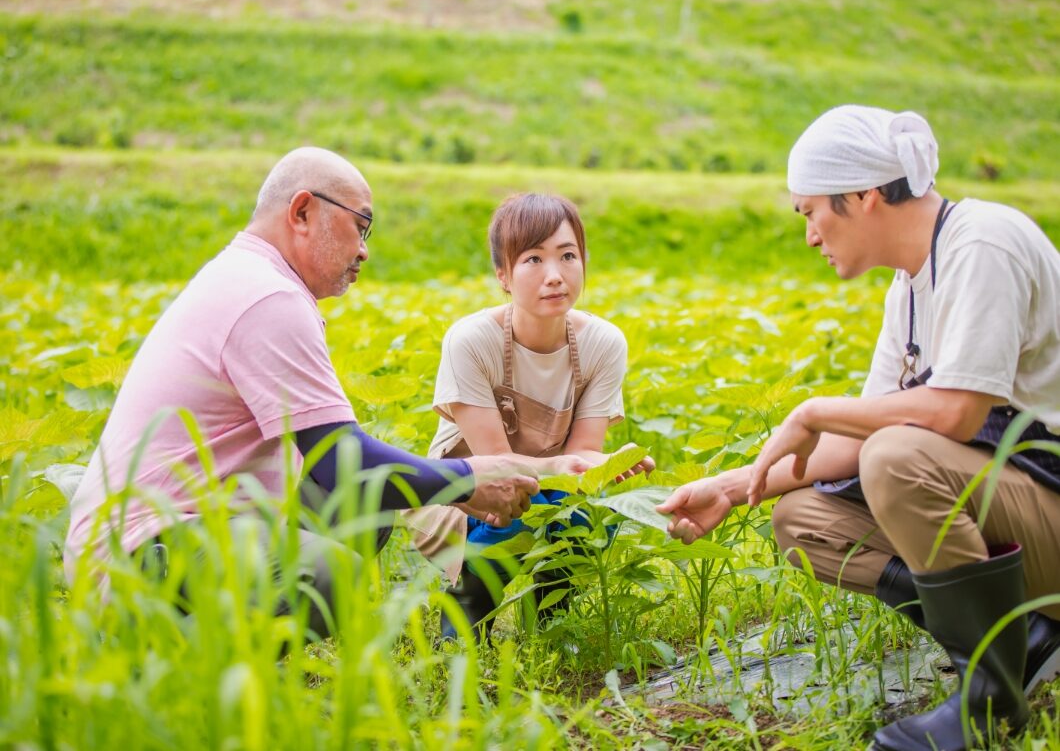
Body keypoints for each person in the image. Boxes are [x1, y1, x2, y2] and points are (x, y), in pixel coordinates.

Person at [657, 106, 1060, 750]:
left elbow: (956, 412)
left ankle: (990, 701)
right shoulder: (906, 289)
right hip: (1021, 507)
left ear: (865, 197)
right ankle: (1016, 640)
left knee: (897, 458)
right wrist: (733, 488)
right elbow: (852, 446)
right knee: (802, 522)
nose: (810, 235)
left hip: (1051, 503)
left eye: (810, 211)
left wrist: (811, 410)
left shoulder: (983, 241)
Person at [64, 147, 587, 638]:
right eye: (360, 225)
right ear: (301, 212)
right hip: (141, 549)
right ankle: (188, 678)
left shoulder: (251, 278)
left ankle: (230, 658)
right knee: (330, 570)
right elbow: (343, 461)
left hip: (192, 523)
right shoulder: (266, 296)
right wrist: (467, 478)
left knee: (368, 505)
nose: (364, 250)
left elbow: (342, 466)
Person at [404, 193, 653, 639]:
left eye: (568, 255)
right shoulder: (471, 341)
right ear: (503, 275)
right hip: (472, 496)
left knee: (592, 511)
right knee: (512, 511)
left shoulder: (603, 344)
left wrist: (606, 470)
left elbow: (580, 463)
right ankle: (464, 611)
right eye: (533, 260)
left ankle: (553, 620)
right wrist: (572, 467)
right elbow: (496, 471)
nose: (555, 276)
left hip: (551, 492)